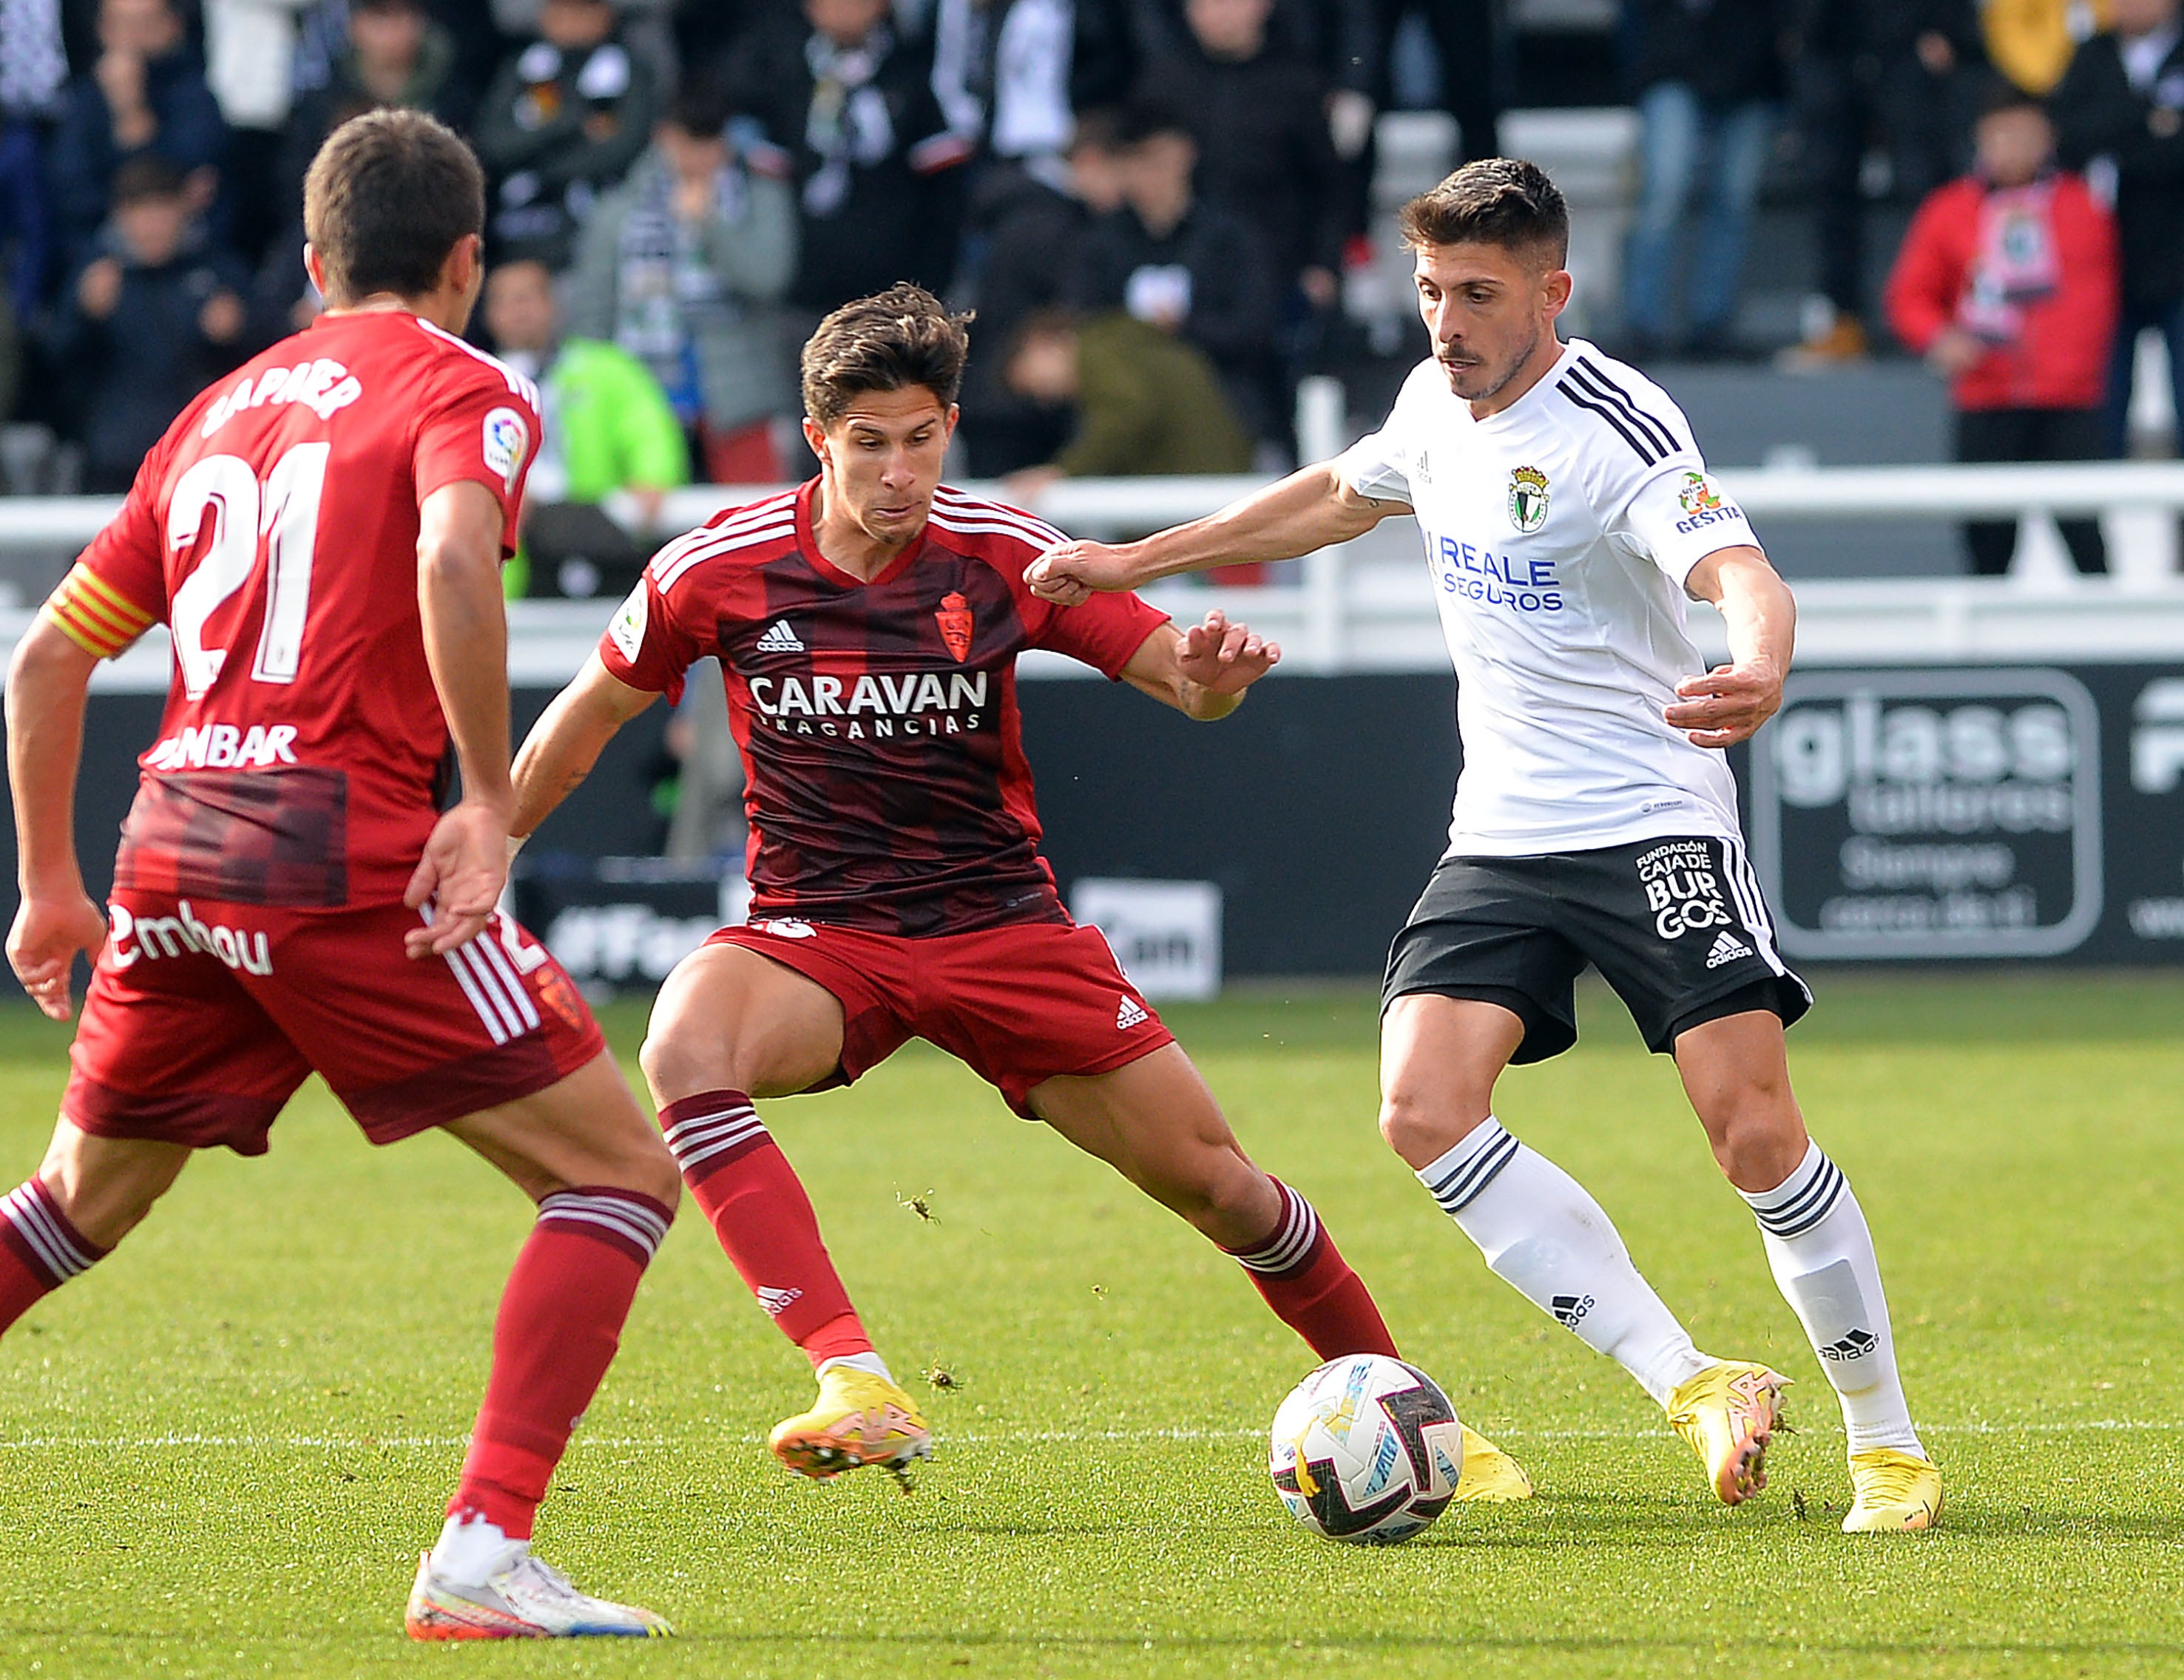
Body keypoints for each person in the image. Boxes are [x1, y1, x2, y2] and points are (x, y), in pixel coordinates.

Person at [1029, 158, 1944, 1534]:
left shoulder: (1614, 426)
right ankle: (1695, 1382)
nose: (1443, 323)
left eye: (1475, 295)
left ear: (1549, 292)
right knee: (1421, 1108)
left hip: (1649, 815)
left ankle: (1886, 1447)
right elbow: (1336, 497)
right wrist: (1130, 563)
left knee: (1749, 1128)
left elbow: (1738, 572)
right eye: (1428, 292)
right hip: (1505, 829)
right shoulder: (1426, 403)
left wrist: (1757, 664)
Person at [504, 282, 1530, 1503]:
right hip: (816, 940)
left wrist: (1214, 678)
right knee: (684, 1040)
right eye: (870, 443)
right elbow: (585, 722)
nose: (899, 471)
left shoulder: (1000, 552)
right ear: (819, 437)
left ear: (949, 427)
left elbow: (1177, 677)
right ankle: (853, 1381)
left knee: (1223, 1187)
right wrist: (485, 847)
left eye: (922, 437)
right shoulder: (717, 568)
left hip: (1002, 934)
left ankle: (1417, 1421)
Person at [2, 109, 681, 1639]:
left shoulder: (218, 409)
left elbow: (46, 654)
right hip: (327, 844)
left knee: (71, 1206)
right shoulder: (465, 384)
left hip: (172, 839)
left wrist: (48, 883)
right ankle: (481, 1550)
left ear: (313, 265)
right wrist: (492, 804)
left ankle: (488, 1552)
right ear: (466, 259)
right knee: (618, 1173)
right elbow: (455, 558)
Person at [1886, 87, 2117, 575]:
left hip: (2065, 401)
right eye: (2000, 135)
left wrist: (2074, 365)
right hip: (1986, 397)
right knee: (1987, 547)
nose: (2012, 147)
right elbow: (1909, 295)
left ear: (2047, 140)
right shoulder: (1948, 210)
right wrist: (1940, 338)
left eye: (2024, 135)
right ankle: (1985, 654)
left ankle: (2109, 654)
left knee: (2087, 545)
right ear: (1979, 141)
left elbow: (2096, 298)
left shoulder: (2082, 207)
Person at [565, 77, 800, 484]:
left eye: (710, 143)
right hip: (644, 392)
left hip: (739, 398)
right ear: (664, 138)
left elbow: (769, 277)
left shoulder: (758, 193)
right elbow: (594, 310)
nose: (700, 157)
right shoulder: (621, 210)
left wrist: (710, 225)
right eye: (688, 142)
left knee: (754, 520)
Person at [726, 0, 976, 313]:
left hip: (893, 294)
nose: (843, 9)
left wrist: (928, 283)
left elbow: (945, 190)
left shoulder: (910, 76)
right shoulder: (783, 75)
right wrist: (782, 275)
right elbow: (768, 189)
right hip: (805, 293)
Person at [1069, 101, 1280, 440]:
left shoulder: (1228, 239)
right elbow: (1084, 321)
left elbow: (1254, 326)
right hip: (1129, 404)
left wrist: (1185, 328)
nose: (1148, 173)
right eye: (1135, 160)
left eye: (1156, 159)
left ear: (1184, 155)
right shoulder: (1100, 243)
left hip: (1220, 401)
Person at [482, 257, 689, 598]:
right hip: (516, 550)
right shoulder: (479, 382)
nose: (516, 311)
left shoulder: (606, 368)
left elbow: (648, 428)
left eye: (526, 299)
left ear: (553, 305)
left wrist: (653, 476)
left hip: (593, 526)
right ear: (488, 314)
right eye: (503, 301)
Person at [46, 154, 251, 492]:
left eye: (163, 209)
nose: (153, 224)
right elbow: (57, 370)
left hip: (202, 454)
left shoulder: (220, 273)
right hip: (112, 460)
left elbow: (265, 366)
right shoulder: (94, 279)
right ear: (120, 216)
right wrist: (85, 320)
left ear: (184, 209)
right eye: (141, 211)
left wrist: (234, 336)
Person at [2049, 0, 2184, 458]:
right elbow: (2064, 139)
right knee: (2102, 409)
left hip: (2177, 255)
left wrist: (2120, 135)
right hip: (2104, 260)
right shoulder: (2093, 53)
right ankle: (2096, 521)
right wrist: (2148, 120)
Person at [1619, 0, 1785, 361]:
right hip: (1672, 60)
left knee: (1734, 201)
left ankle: (1712, 322)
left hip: (1751, 68)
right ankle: (1643, 323)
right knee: (1665, 192)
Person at [473, 0, 657, 271]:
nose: (570, 20)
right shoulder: (521, 69)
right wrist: (570, 124)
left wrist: (534, 161)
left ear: (605, 14)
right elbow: (493, 145)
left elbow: (624, 151)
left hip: (595, 226)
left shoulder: (630, 72)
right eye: (560, 9)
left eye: (582, 10)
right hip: (518, 232)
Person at [47, 0, 230, 271]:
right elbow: (71, 190)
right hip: (103, 252)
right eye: (121, 25)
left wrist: (134, 114)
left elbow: (197, 179)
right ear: (101, 30)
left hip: (193, 256)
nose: (132, 37)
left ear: (174, 26)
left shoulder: (196, 96)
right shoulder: (85, 101)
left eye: (145, 24)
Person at [1000, 307, 1253, 502]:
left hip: (1202, 501)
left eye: (1037, 382)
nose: (1044, 398)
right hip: (1217, 483)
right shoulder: (1126, 347)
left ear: (1041, 344)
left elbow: (1128, 413)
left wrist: (1063, 472)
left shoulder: (1097, 353)